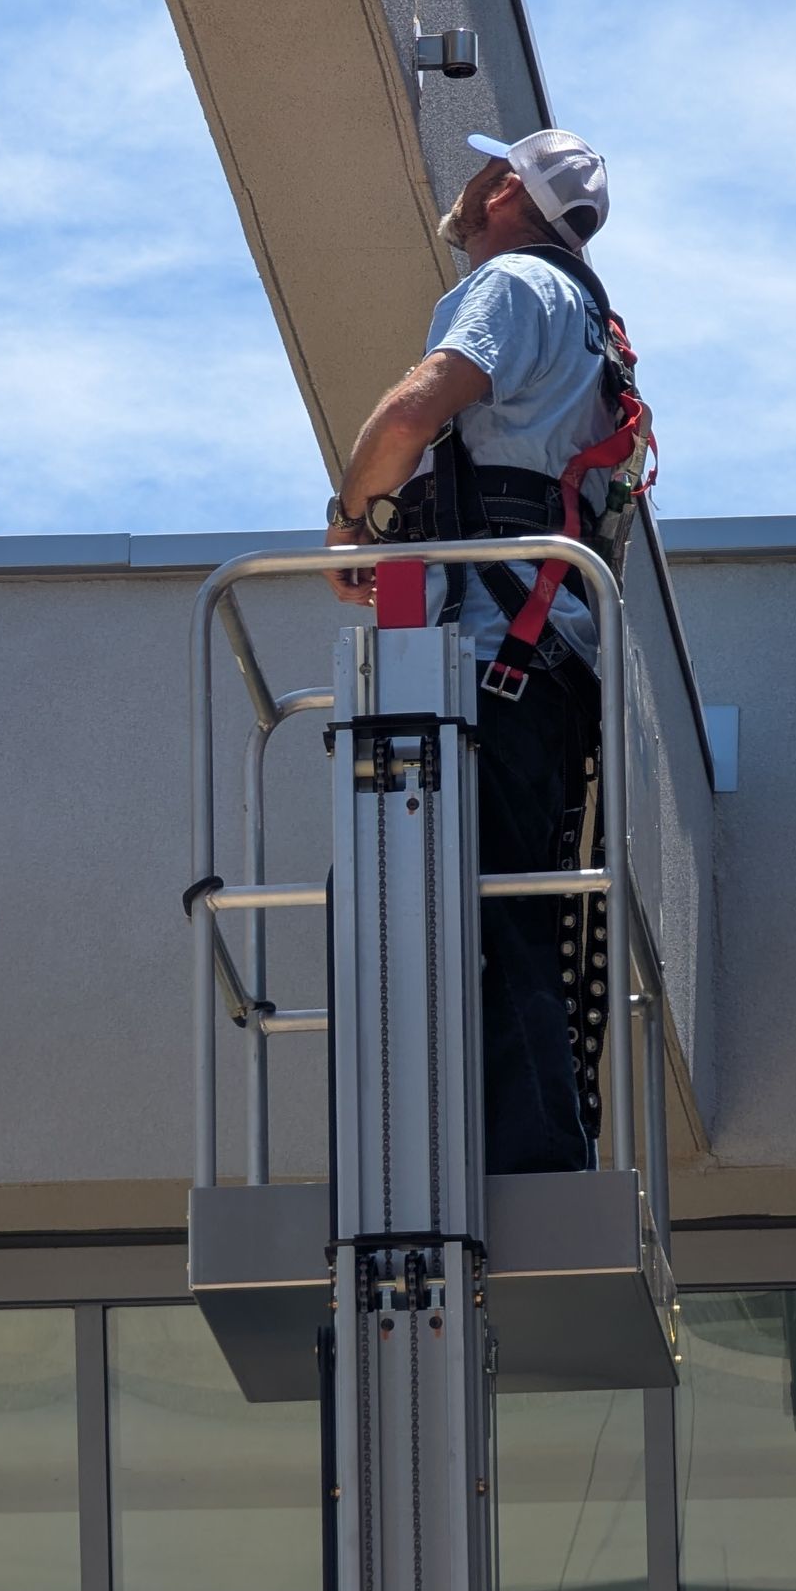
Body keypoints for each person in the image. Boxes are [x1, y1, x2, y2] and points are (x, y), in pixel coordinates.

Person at [323, 129, 621, 1176]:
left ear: (504, 189)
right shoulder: (592, 319)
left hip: (495, 652)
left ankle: (525, 1165)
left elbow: (417, 407)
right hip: (543, 655)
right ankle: (534, 1150)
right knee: (510, 914)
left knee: (471, 917)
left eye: (479, 175)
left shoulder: (512, 283)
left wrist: (352, 519)